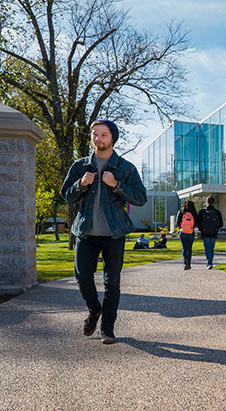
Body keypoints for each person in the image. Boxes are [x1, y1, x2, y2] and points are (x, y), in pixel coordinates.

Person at [61, 119, 147, 344]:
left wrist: (117, 185)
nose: (97, 139)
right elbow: (66, 196)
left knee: (112, 282)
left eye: (103, 135)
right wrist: (80, 183)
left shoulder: (125, 168)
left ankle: (107, 329)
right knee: (82, 277)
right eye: (94, 134)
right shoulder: (80, 166)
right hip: (85, 233)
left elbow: (140, 197)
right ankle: (94, 310)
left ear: (112, 138)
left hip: (114, 234)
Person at [197, 196, 223, 269]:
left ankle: (209, 263)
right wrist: (216, 228)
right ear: (213, 202)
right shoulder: (217, 212)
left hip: (205, 233)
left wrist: (201, 229)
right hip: (214, 233)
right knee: (211, 249)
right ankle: (210, 262)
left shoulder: (202, 212)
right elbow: (221, 224)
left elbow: (198, 222)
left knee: (207, 248)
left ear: (207, 202)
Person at [176, 200, 198, 270]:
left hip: (183, 232)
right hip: (191, 232)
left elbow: (177, 222)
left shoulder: (181, 212)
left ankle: (185, 263)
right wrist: (191, 228)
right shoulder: (194, 213)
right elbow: (196, 222)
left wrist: (182, 228)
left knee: (184, 248)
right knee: (189, 248)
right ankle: (189, 263)